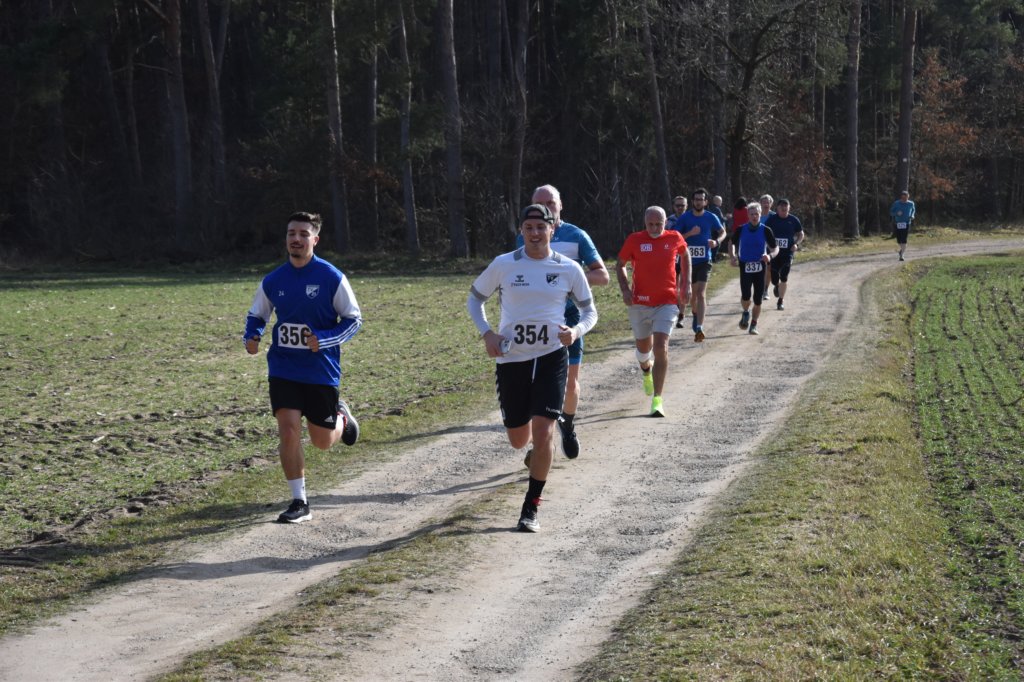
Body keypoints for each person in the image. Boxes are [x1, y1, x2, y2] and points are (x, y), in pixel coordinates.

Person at [468, 203, 598, 533]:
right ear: (521, 231)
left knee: (543, 433)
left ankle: (531, 507)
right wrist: (487, 333)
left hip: (552, 356)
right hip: (512, 359)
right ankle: (536, 453)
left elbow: (590, 312)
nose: (535, 233)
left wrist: (576, 331)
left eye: (541, 227)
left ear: (553, 229)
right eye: (529, 228)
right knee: (518, 439)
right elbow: (475, 298)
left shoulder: (569, 268)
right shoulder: (504, 264)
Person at [243, 211, 362, 524]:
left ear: (315, 239)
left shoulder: (331, 277)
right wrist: (252, 336)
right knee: (288, 428)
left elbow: (353, 320)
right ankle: (299, 501)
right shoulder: (274, 280)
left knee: (322, 441)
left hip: (320, 369)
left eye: (303, 234)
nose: (296, 239)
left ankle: (342, 418)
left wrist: (323, 339)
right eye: (291, 233)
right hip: (283, 367)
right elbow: (257, 315)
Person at [518, 184, 610, 460]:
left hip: (569, 320)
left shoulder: (576, 236)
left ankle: (567, 425)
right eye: (539, 203)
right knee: (535, 385)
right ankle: (538, 446)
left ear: (561, 205)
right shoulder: (524, 236)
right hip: (535, 320)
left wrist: (572, 277)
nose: (545, 208)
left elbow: (602, 276)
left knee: (569, 384)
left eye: (550, 203)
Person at [616, 206, 690, 417]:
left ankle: (657, 400)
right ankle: (646, 370)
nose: (655, 228)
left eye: (659, 224)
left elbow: (685, 255)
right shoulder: (635, 240)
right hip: (639, 303)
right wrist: (625, 289)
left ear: (666, 222)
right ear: (645, 222)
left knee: (661, 347)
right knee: (643, 351)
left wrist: (686, 283)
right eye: (651, 224)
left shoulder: (674, 237)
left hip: (666, 302)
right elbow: (620, 264)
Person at [672, 187, 725, 342]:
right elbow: (675, 237)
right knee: (692, 296)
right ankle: (695, 313)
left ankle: (700, 328)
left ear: (706, 202)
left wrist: (716, 242)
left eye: (701, 200)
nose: (698, 202)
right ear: (692, 201)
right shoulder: (685, 218)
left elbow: (722, 232)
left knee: (701, 293)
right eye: (696, 200)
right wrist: (690, 233)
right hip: (688, 262)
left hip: (704, 260)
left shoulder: (711, 217)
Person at [729, 202, 779, 335]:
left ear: (760, 214)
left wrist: (769, 256)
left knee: (758, 298)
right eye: (752, 214)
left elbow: (775, 248)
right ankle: (746, 312)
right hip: (745, 265)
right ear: (748, 215)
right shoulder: (741, 229)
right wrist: (732, 256)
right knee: (746, 296)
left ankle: (754, 324)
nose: (754, 216)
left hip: (760, 266)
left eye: (756, 214)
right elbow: (732, 242)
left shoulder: (766, 230)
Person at [764, 198, 805, 310]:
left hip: (788, 253)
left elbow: (801, 234)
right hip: (774, 253)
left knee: (784, 276)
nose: (784, 208)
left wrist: (796, 244)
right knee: (774, 278)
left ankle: (780, 301)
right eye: (781, 206)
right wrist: (769, 245)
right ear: (777, 208)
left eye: (786, 206)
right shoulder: (772, 220)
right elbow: (765, 233)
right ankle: (777, 286)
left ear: (789, 208)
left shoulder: (793, 220)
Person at [758, 194, 775, 301]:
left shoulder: (774, 216)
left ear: (771, 204)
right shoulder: (756, 215)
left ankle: (765, 290)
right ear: (760, 203)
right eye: (763, 202)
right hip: (757, 244)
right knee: (759, 269)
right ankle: (758, 288)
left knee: (769, 269)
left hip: (770, 245)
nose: (765, 204)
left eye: (767, 202)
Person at [890, 190, 915, 261]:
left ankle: (902, 255)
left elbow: (913, 210)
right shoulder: (896, 203)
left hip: (906, 223)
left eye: (906, 198)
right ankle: (902, 250)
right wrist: (896, 213)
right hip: (898, 223)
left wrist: (912, 216)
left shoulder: (911, 203)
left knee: (904, 239)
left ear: (908, 197)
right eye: (903, 198)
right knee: (899, 240)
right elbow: (891, 212)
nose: (904, 199)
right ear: (901, 197)